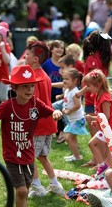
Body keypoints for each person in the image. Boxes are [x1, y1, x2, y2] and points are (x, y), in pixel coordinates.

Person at [0, 65, 62, 207]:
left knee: (25, 190)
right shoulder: (8, 106)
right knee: (21, 190)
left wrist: (55, 113)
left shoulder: (35, 104)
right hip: (12, 155)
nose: (30, 90)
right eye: (25, 86)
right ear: (14, 88)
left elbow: (50, 111)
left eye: (32, 86)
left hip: (28, 154)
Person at [24, 41, 65, 197]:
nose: (25, 56)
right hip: (48, 124)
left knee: (29, 158)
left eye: (28, 54)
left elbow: (35, 105)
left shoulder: (35, 78)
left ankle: (38, 188)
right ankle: (55, 185)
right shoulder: (44, 76)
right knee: (42, 156)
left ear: (35, 58)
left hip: (38, 125)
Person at [77, 30, 112, 168]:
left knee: (96, 130)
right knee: (100, 129)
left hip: (92, 98)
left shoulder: (92, 59)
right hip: (100, 96)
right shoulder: (105, 57)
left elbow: (92, 81)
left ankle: (99, 161)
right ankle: (99, 159)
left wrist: (80, 92)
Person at [81, 69, 112, 177]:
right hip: (106, 128)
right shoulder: (97, 96)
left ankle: (102, 166)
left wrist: (93, 118)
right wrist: (95, 121)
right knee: (108, 150)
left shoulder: (105, 98)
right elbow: (101, 114)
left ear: (98, 84)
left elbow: (106, 116)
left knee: (92, 144)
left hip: (111, 129)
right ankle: (106, 170)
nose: (87, 89)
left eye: (89, 86)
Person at [42, 40, 66, 141]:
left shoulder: (64, 63)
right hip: (49, 93)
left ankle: (61, 133)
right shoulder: (46, 64)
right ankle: (52, 131)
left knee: (61, 113)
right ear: (51, 49)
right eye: (57, 47)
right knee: (50, 113)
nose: (60, 49)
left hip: (61, 93)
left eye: (62, 48)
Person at [62, 68, 88, 161]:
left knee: (68, 138)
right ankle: (76, 155)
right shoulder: (67, 90)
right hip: (72, 119)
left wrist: (69, 111)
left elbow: (78, 105)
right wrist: (65, 108)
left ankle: (77, 157)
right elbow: (67, 102)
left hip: (78, 119)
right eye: (63, 78)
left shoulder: (74, 92)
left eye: (66, 79)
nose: (64, 81)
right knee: (73, 139)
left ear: (75, 80)